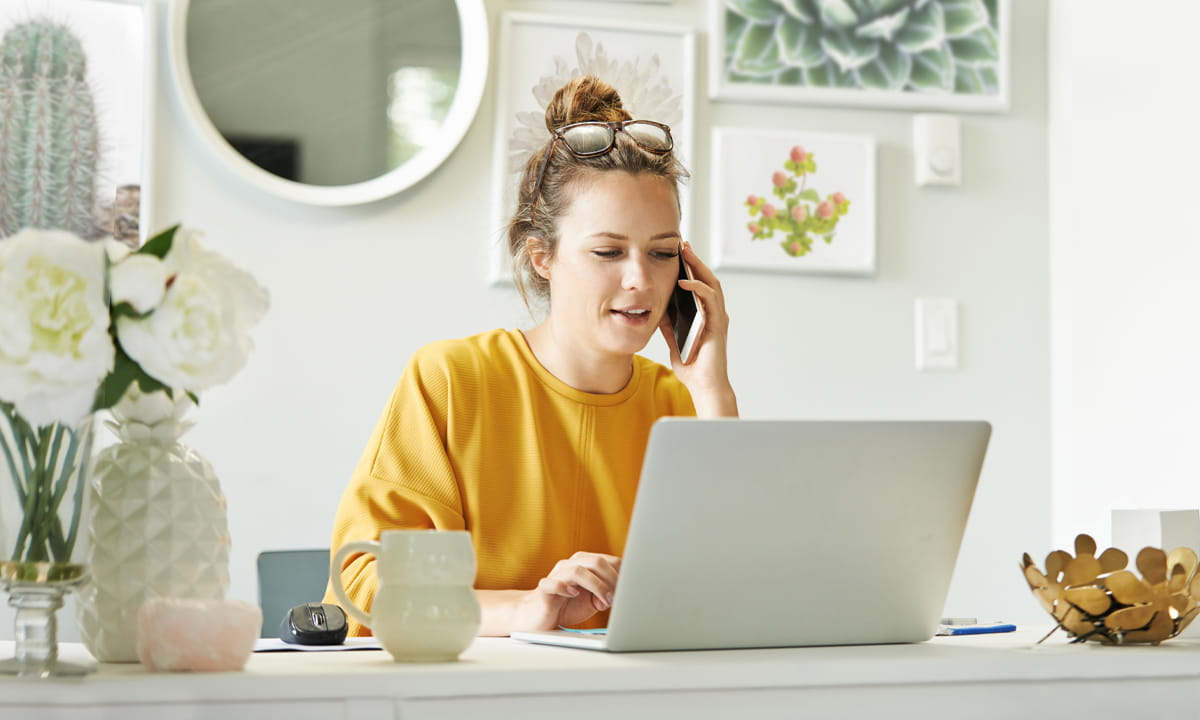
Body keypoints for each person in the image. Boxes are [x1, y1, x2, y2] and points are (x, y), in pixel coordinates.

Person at [325, 75, 737, 637]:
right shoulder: (451, 379)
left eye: (662, 253)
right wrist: (527, 610)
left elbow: (733, 592)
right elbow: (363, 589)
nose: (640, 279)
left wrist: (713, 391)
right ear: (541, 256)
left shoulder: (679, 403)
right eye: (608, 251)